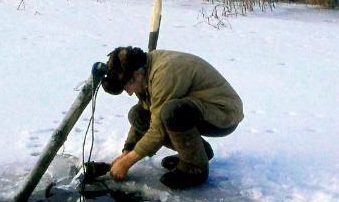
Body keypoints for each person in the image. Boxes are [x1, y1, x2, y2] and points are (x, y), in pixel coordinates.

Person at [102, 46, 243, 190]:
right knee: (138, 115)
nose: (129, 93)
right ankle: (199, 152)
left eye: (126, 87)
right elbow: (148, 111)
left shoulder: (164, 73)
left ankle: (195, 168)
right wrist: (127, 151)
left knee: (172, 113)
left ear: (137, 75)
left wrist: (127, 163)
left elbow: (157, 130)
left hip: (223, 113)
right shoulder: (143, 70)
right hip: (197, 108)